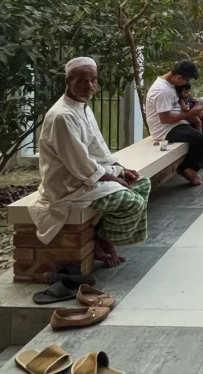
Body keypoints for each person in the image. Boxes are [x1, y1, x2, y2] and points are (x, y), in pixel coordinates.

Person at [31, 57, 150, 268]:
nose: (89, 85)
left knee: (142, 183)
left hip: (88, 176)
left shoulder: (82, 107)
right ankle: (103, 241)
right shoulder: (62, 116)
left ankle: (101, 236)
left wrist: (120, 170)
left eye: (93, 80)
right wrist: (111, 178)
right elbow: (79, 163)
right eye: (82, 80)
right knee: (132, 201)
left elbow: (98, 148)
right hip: (70, 186)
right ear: (68, 81)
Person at [146, 59, 203, 186]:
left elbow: (179, 104)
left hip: (178, 122)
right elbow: (165, 119)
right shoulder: (162, 90)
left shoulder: (172, 84)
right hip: (165, 129)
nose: (187, 83)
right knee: (201, 139)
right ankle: (187, 168)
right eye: (186, 80)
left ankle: (189, 165)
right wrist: (191, 114)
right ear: (178, 77)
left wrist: (193, 104)